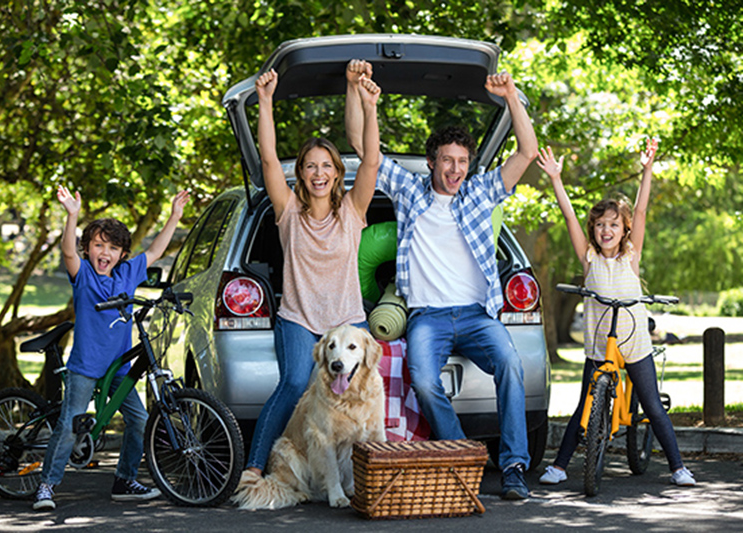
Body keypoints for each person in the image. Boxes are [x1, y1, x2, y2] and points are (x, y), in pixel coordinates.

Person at [345, 61, 539, 500]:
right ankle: (462, 453)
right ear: (432, 161)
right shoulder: (411, 192)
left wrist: (511, 97)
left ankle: (512, 467)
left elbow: (526, 152)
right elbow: (361, 145)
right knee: (426, 382)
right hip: (427, 318)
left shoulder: (479, 193)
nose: (455, 170)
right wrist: (356, 92)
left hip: (475, 316)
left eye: (463, 162)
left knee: (510, 365)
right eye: (448, 161)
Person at [239, 61, 382, 480]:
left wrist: (369, 106)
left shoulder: (353, 211)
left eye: (327, 166)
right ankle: (253, 468)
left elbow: (371, 162)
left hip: (347, 319)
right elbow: (268, 160)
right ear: (300, 173)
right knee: (293, 384)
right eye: (310, 166)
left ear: (338, 173)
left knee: (365, 391)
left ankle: (365, 476)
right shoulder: (289, 212)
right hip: (298, 318)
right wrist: (264, 102)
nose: (319, 174)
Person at [536, 140, 695, 487]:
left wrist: (647, 170)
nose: (606, 231)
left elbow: (640, 212)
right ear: (594, 230)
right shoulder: (589, 258)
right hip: (598, 346)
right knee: (584, 406)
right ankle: (560, 466)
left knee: (652, 407)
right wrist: (556, 180)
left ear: (623, 231)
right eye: (599, 226)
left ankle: (678, 466)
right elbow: (567, 216)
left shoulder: (630, 257)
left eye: (613, 225)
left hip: (634, 342)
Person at [33, 186, 190, 511]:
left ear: (122, 254)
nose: (105, 252)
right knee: (70, 422)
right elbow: (67, 254)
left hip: (117, 366)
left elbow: (157, 251)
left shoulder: (128, 272)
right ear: (88, 249)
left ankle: (124, 480)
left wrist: (174, 216)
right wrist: (72, 216)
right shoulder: (85, 274)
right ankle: (47, 484)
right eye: (98, 245)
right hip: (86, 365)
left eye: (113, 247)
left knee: (140, 420)